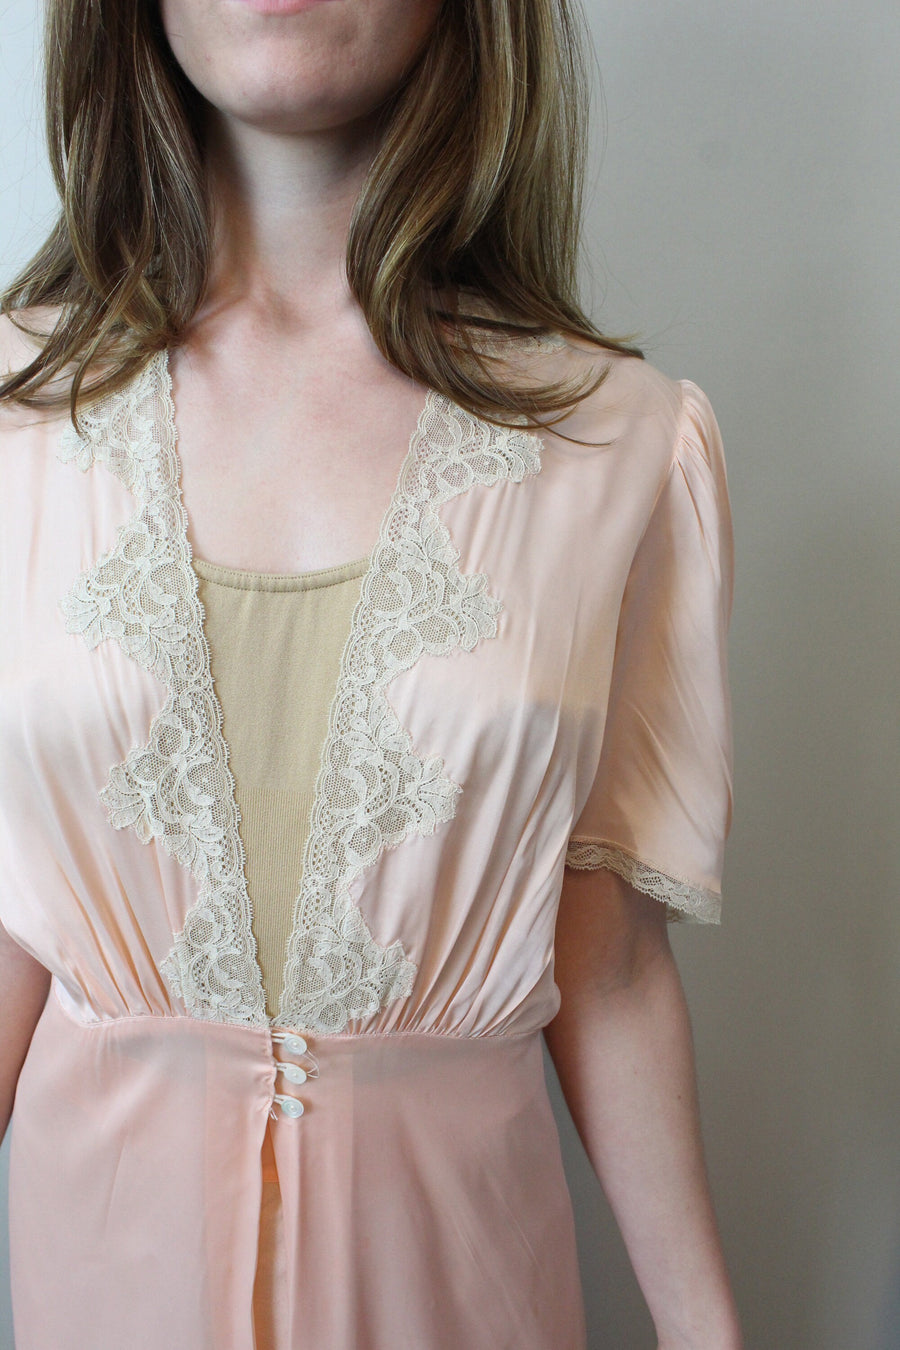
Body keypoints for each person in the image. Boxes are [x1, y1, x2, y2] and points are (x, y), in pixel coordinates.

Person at [0, 0, 742, 1346]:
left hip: (464, 1291)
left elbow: (612, 964)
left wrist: (710, 1333)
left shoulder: (620, 444)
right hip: (104, 1287)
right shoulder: (12, 420)